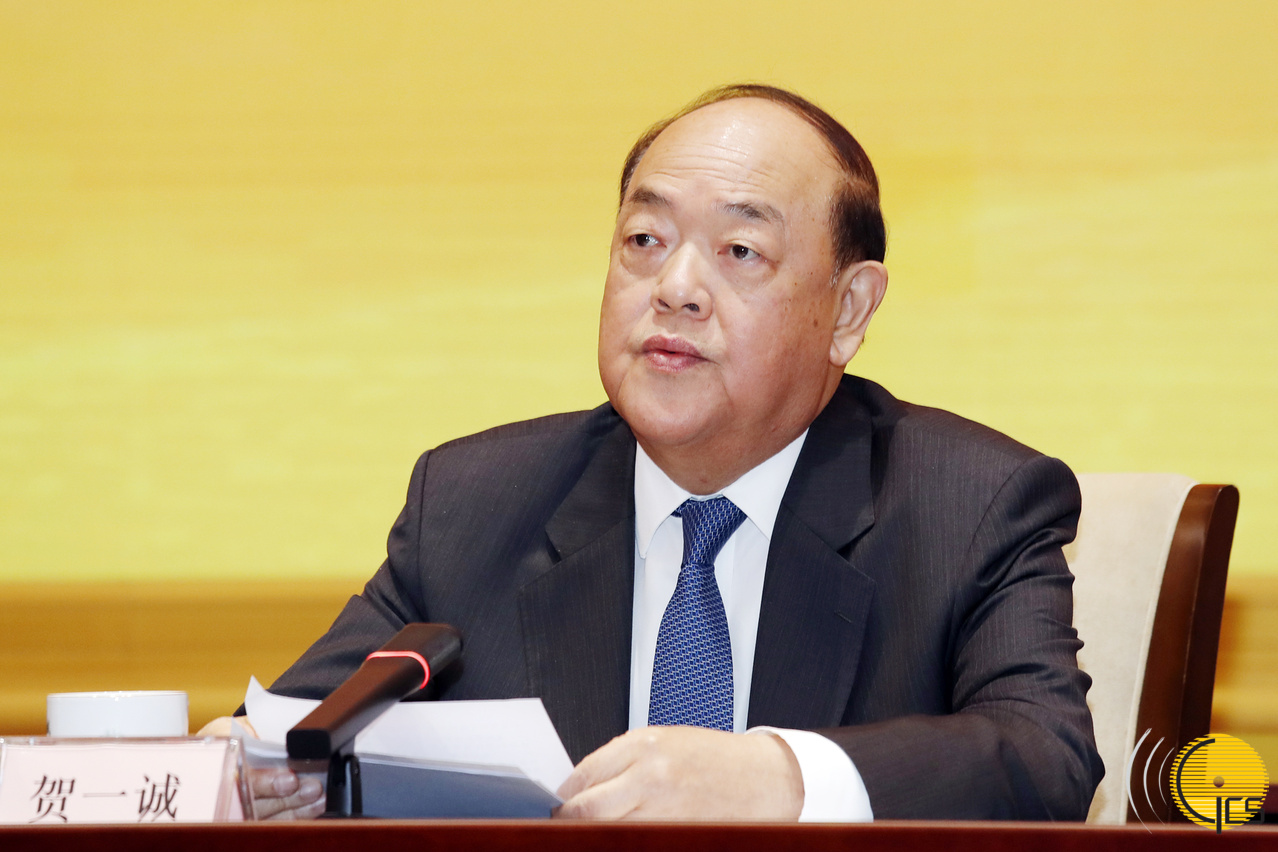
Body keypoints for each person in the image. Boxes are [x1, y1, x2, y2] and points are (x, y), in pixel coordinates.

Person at [204, 84, 1103, 821]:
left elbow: (1046, 758)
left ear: (848, 310)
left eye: (740, 250)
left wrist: (778, 778)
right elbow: (289, 735)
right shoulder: (474, 504)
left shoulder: (970, 504)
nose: (675, 288)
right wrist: (245, 772)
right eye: (645, 241)